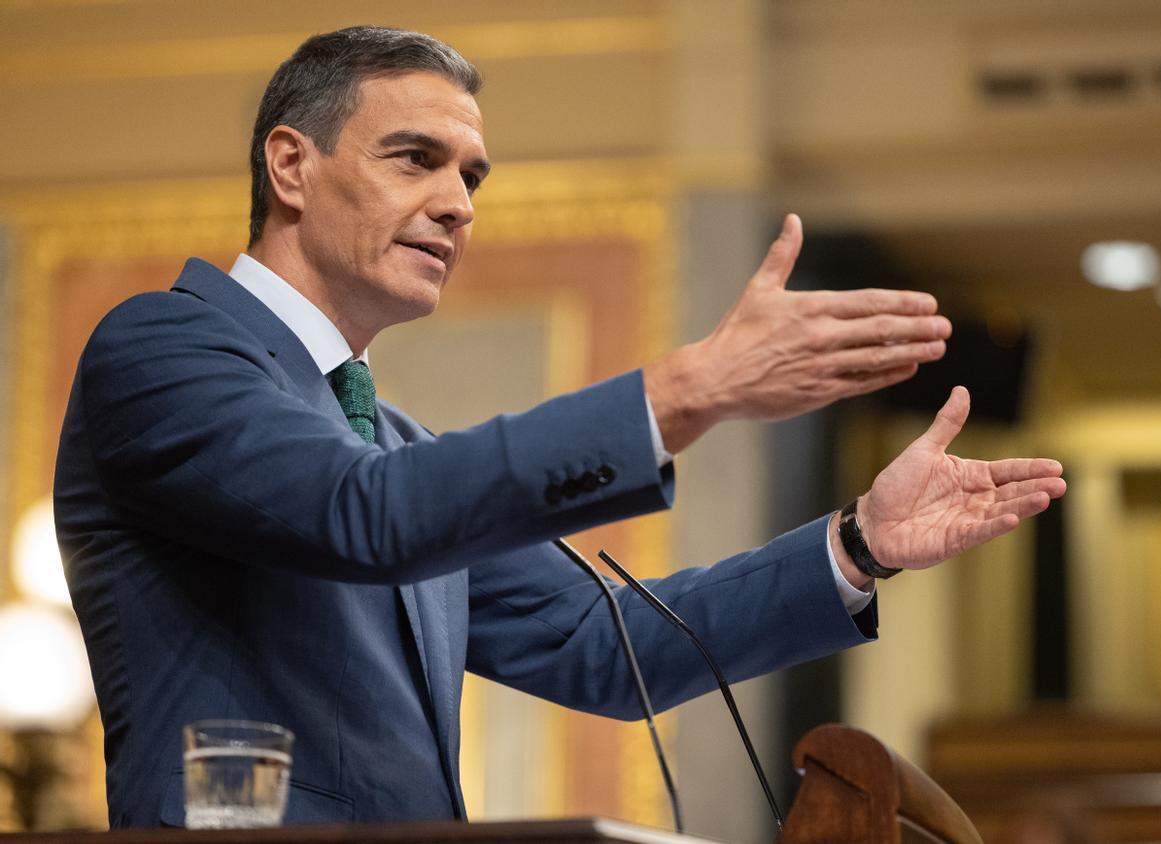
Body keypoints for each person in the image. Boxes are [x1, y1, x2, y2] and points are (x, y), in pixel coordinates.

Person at [53, 26, 1065, 828]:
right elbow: (363, 516)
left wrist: (856, 546)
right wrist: (680, 393)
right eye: (417, 158)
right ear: (290, 165)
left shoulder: (390, 443)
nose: (456, 205)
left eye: (471, 178)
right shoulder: (161, 349)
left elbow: (600, 643)